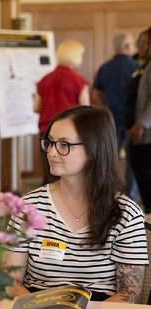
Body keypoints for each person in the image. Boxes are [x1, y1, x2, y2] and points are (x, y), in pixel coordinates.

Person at [4, 106, 148, 303]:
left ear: (93, 149)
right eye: (50, 142)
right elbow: (10, 279)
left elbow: (129, 294)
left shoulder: (126, 213)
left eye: (64, 144)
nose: (52, 152)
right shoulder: (29, 206)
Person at [34, 39, 90, 184]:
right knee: (66, 175)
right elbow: (86, 110)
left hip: (47, 133)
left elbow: (35, 107)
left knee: (49, 171)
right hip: (69, 135)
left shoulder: (44, 79)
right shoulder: (79, 80)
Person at [92, 32, 139, 201]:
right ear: (127, 46)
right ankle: (129, 196)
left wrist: (103, 108)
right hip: (131, 121)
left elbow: (97, 92)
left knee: (107, 157)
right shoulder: (137, 66)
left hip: (109, 119)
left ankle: (105, 194)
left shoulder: (104, 67)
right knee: (131, 160)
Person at [126, 27, 151, 220]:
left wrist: (141, 124)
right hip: (140, 132)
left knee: (144, 169)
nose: (139, 46)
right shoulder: (144, 64)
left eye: (143, 42)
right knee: (139, 167)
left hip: (147, 132)